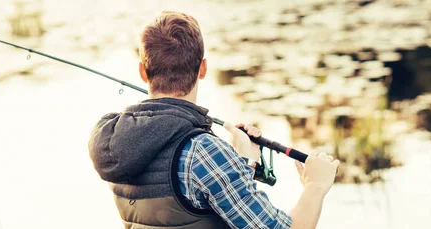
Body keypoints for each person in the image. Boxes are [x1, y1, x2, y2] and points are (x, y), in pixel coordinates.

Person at [88, 11, 340, 229]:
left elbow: (190, 198)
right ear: (203, 68)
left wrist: (244, 162)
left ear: (142, 72)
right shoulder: (205, 152)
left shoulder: (114, 141)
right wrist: (315, 185)